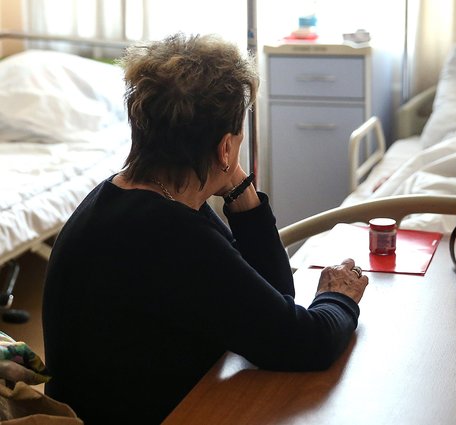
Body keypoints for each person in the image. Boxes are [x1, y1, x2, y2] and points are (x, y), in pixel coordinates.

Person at [42, 33, 369, 424]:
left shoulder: (132, 196)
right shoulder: (172, 234)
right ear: (225, 147)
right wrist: (339, 296)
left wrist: (240, 189)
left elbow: (272, 295)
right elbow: (304, 344)